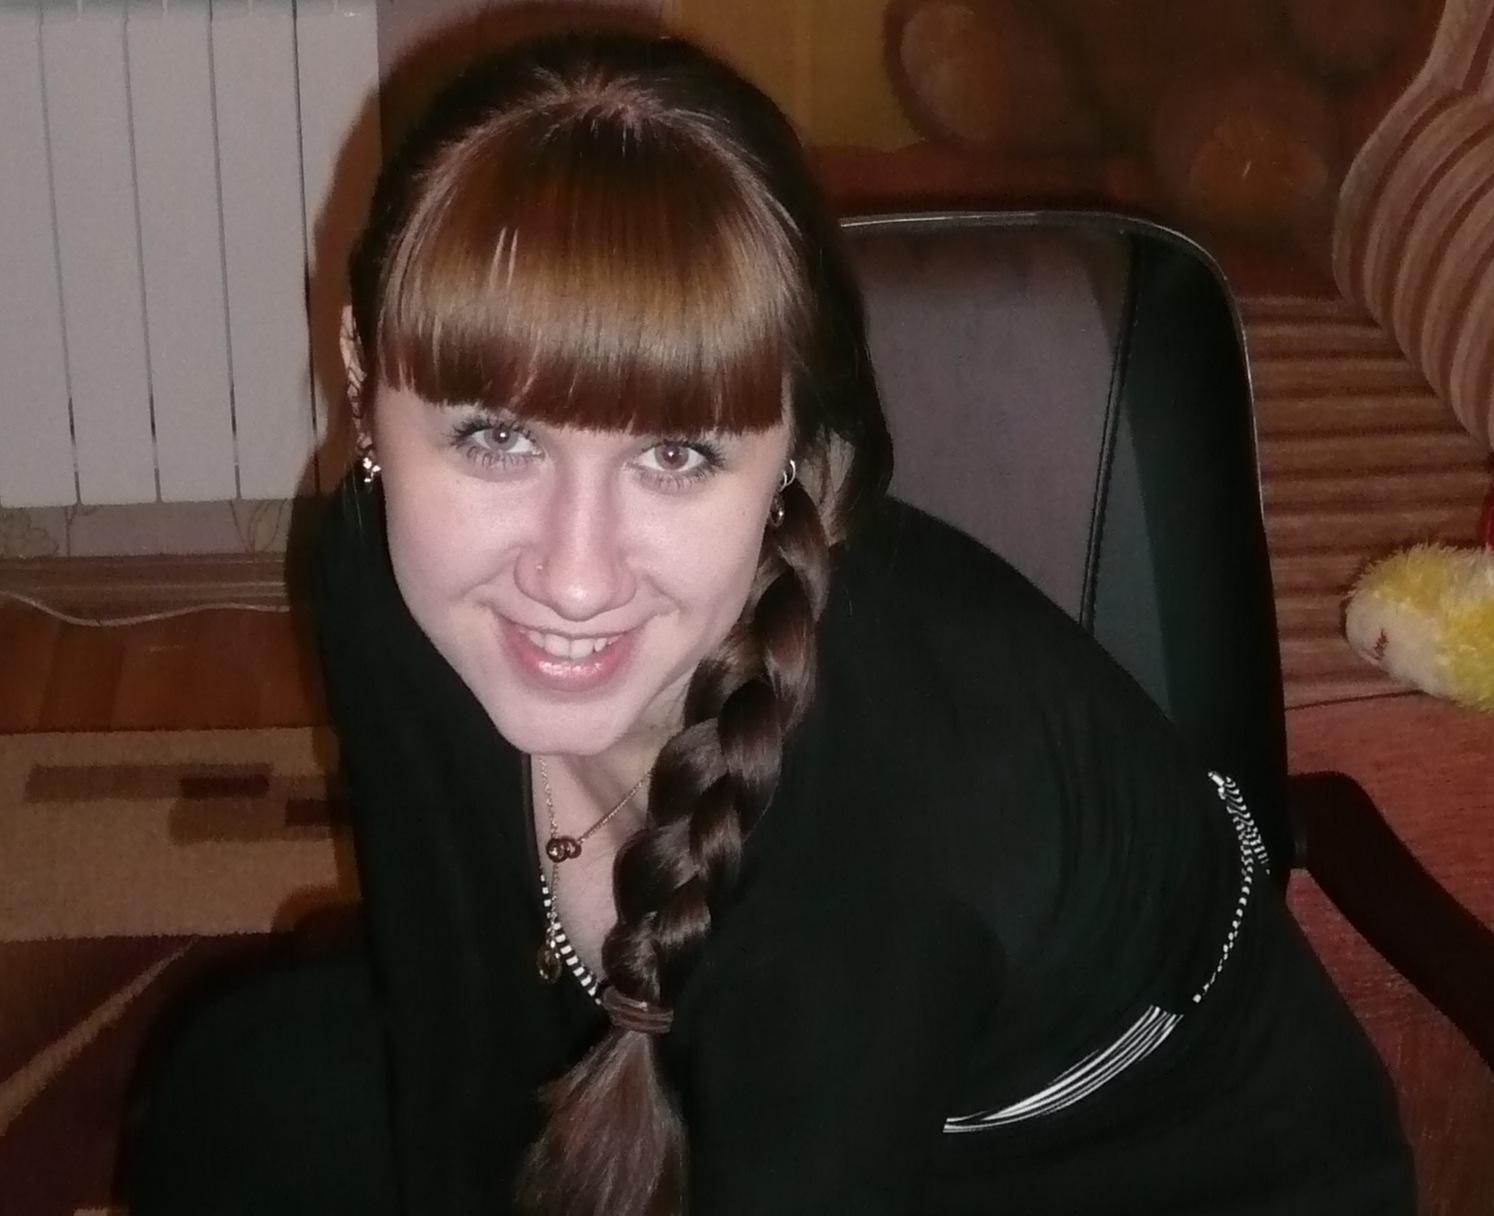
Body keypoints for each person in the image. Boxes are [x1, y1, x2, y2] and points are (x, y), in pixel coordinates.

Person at [128, 26, 1414, 1216]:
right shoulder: (378, 574)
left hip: (1133, 1183)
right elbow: (463, 1023)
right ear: (363, 373)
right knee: (239, 1097)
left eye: (676, 456)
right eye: (494, 438)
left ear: (796, 449)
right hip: (780, 1077)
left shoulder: (894, 828)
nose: (572, 578)